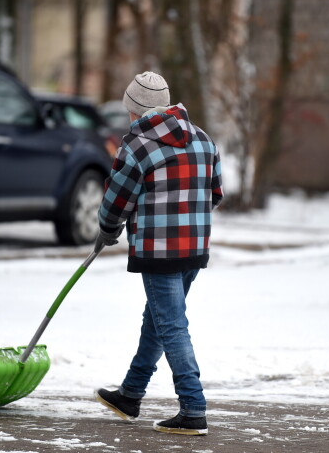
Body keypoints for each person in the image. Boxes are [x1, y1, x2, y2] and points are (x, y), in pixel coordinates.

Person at [93, 71, 223, 436]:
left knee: (171, 324)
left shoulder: (136, 146)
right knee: (159, 318)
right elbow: (215, 192)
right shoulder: (202, 139)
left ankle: (193, 407)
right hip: (194, 248)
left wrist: (107, 228)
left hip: (158, 251)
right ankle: (131, 394)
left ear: (135, 110)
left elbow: (117, 199)